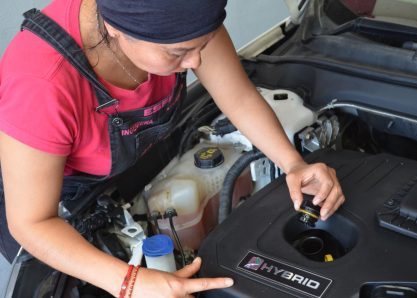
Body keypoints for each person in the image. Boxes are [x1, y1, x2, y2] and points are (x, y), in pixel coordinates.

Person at [0, 0, 345, 296]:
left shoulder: (183, 19)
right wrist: (129, 283)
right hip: (49, 207)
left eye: (203, 44)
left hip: (113, 176)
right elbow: (31, 223)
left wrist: (292, 163)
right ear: (118, 30)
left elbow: (237, 97)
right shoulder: (40, 84)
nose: (196, 62)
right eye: (178, 53)